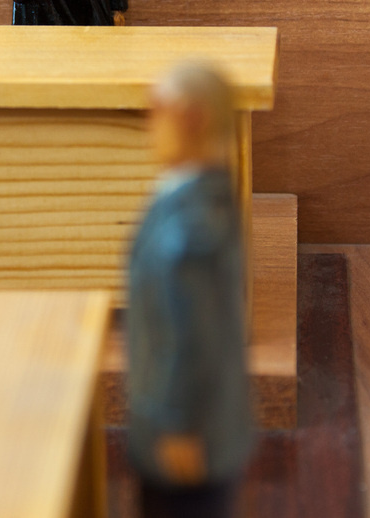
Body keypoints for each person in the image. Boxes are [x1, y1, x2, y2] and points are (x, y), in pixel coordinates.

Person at [126, 63, 251, 518]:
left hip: (184, 438)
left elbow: (188, 340)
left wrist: (177, 426)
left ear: (192, 118)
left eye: (157, 112)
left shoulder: (191, 231)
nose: (149, 126)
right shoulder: (205, 196)